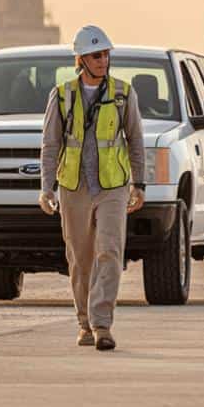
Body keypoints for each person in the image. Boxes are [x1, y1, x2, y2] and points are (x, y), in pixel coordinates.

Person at [38, 25, 145, 351]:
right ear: (81, 59)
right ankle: (84, 322)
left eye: (106, 54)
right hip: (74, 188)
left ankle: (102, 324)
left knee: (110, 253)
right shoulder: (62, 95)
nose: (103, 60)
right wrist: (47, 188)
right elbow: (50, 144)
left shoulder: (123, 93)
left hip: (112, 187)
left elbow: (136, 141)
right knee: (80, 259)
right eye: (97, 55)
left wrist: (138, 184)